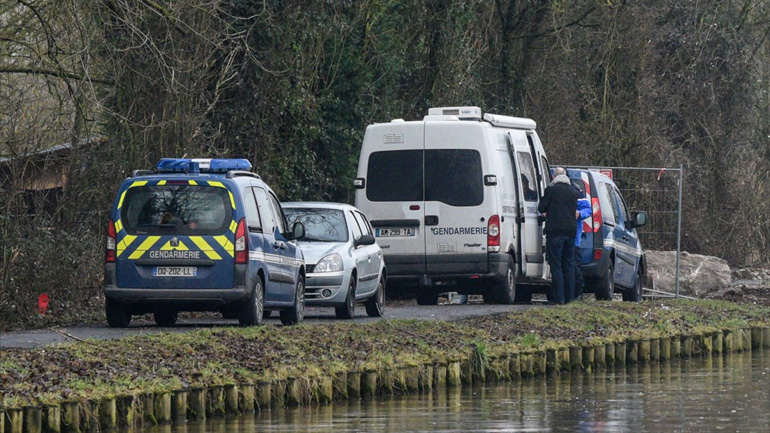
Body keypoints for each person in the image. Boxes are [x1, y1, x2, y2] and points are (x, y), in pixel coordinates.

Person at [538, 167, 581, 304]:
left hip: (555, 232)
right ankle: (570, 298)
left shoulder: (551, 190)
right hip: (571, 232)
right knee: (568, 265)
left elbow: (541, 207)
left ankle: (559, 299)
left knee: (556, 265)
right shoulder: (574, 191)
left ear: (553, 177)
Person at [574, 191, 592, 300]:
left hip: (574, 238)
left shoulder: (576, 193)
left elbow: (588, 210)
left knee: (574, 265)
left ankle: (578, 293)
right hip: (568, 236)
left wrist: (579, 214)